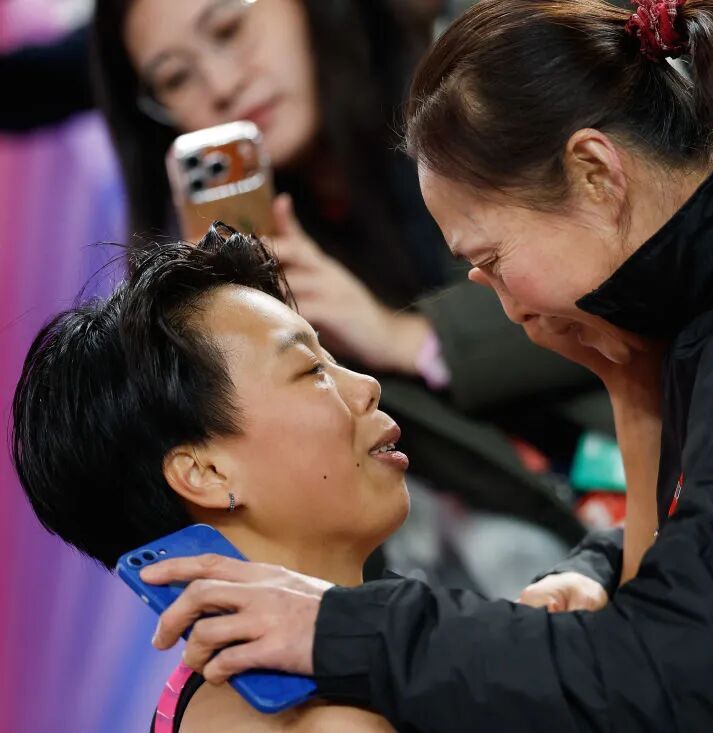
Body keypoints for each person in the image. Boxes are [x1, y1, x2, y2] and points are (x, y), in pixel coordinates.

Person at [140, 0, 713, 730]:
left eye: (490, 256)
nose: (491, 295)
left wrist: (343, 629)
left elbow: (697, 674)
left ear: (595, 171)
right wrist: (601, 562)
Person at [11, 225, 713, 731]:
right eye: (309, 370)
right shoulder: (325, 722)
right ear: (205, 470)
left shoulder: (249, 694)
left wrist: (633, 410)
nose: (365, 383)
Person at [92, 0, 603, 594]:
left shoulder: (471, 81)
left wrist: (402, 337)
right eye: (176, 78)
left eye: (229, 29)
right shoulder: (251, 291)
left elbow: (612, 270)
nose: (223, 85)